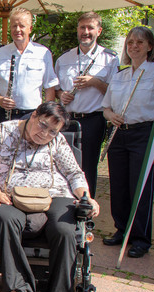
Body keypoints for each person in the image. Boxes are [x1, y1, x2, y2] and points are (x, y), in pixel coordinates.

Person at [0, 101, 100, 292]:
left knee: (64, 228)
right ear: (33, 115)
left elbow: (74, 174)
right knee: (5, 217)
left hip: (55, 194)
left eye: (52, 131)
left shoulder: (57, 141)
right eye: (43, 125)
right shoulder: (5, 131)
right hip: (11, 193)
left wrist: (86, 196)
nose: (45, 134)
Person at [100, 26, 154, 258]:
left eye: (140, 42)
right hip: (119, 134)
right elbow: (106, 108)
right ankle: (122, 229)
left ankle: (139, 238)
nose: (134, 46)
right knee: (118, 185)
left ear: (149, 46)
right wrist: (110, 116)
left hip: (145, 134)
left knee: (140, 187)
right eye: (130, 42)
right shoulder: (119, 75)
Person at [55, 12, 119, 197]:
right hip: (67, 119)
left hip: (93, 120)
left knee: (87, 167)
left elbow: (116, 93)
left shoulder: (110, 59)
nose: (86, 32)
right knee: (64, 164)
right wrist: (62, 95)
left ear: (98, 31)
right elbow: (56, 89)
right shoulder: (64, 59)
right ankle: (66, 204)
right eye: (82, 27)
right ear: (77, 30)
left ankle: (86, 207)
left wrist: (94, 82)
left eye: (90, 28)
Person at [0, 8, 58, 126]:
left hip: (31, 115)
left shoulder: (43, 53)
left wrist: (44, 115)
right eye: (14, 26)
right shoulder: (0, 53)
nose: (17, 30)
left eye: (22, 26)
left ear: (30, 28)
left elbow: (50, 87)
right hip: (3, 114)